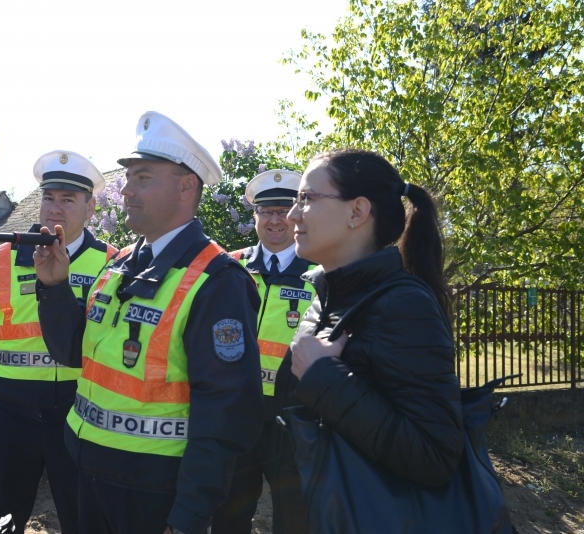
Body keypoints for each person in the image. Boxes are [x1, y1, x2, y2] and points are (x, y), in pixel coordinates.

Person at [32, 111, 264, 534]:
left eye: (143, 179)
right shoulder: (119, 264)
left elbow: (228, 413)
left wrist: (189, 515)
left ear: (185, 186)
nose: (127, 193)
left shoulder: (218, 281)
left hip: (154, 491)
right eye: (129, 180)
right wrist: (54, 289)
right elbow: (73, 353)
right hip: (88, 470)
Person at [273, 148, 464, 523]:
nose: (292, 214)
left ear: (357, 212)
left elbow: (436, 456)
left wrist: (326, 379)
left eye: (306, 199)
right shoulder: (328, 296)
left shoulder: (404, 305)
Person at [0, 150, 116, 534]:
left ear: (90, 207)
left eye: (68, 199)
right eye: (49, 197)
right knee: (2, 517)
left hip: (80, 413)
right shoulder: (0, 258)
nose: (56, 208)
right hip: (11, 415)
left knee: (83, 517)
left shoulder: (112, 264)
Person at [212, 170, 312, 534]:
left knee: (296, 516)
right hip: (235, 412)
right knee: (227, 514)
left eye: (283, 210)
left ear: (298, 213)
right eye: (265, 211)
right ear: (254, 217)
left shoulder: (320, 271)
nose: (274, 219)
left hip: (294, 418)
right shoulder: (228, 266)